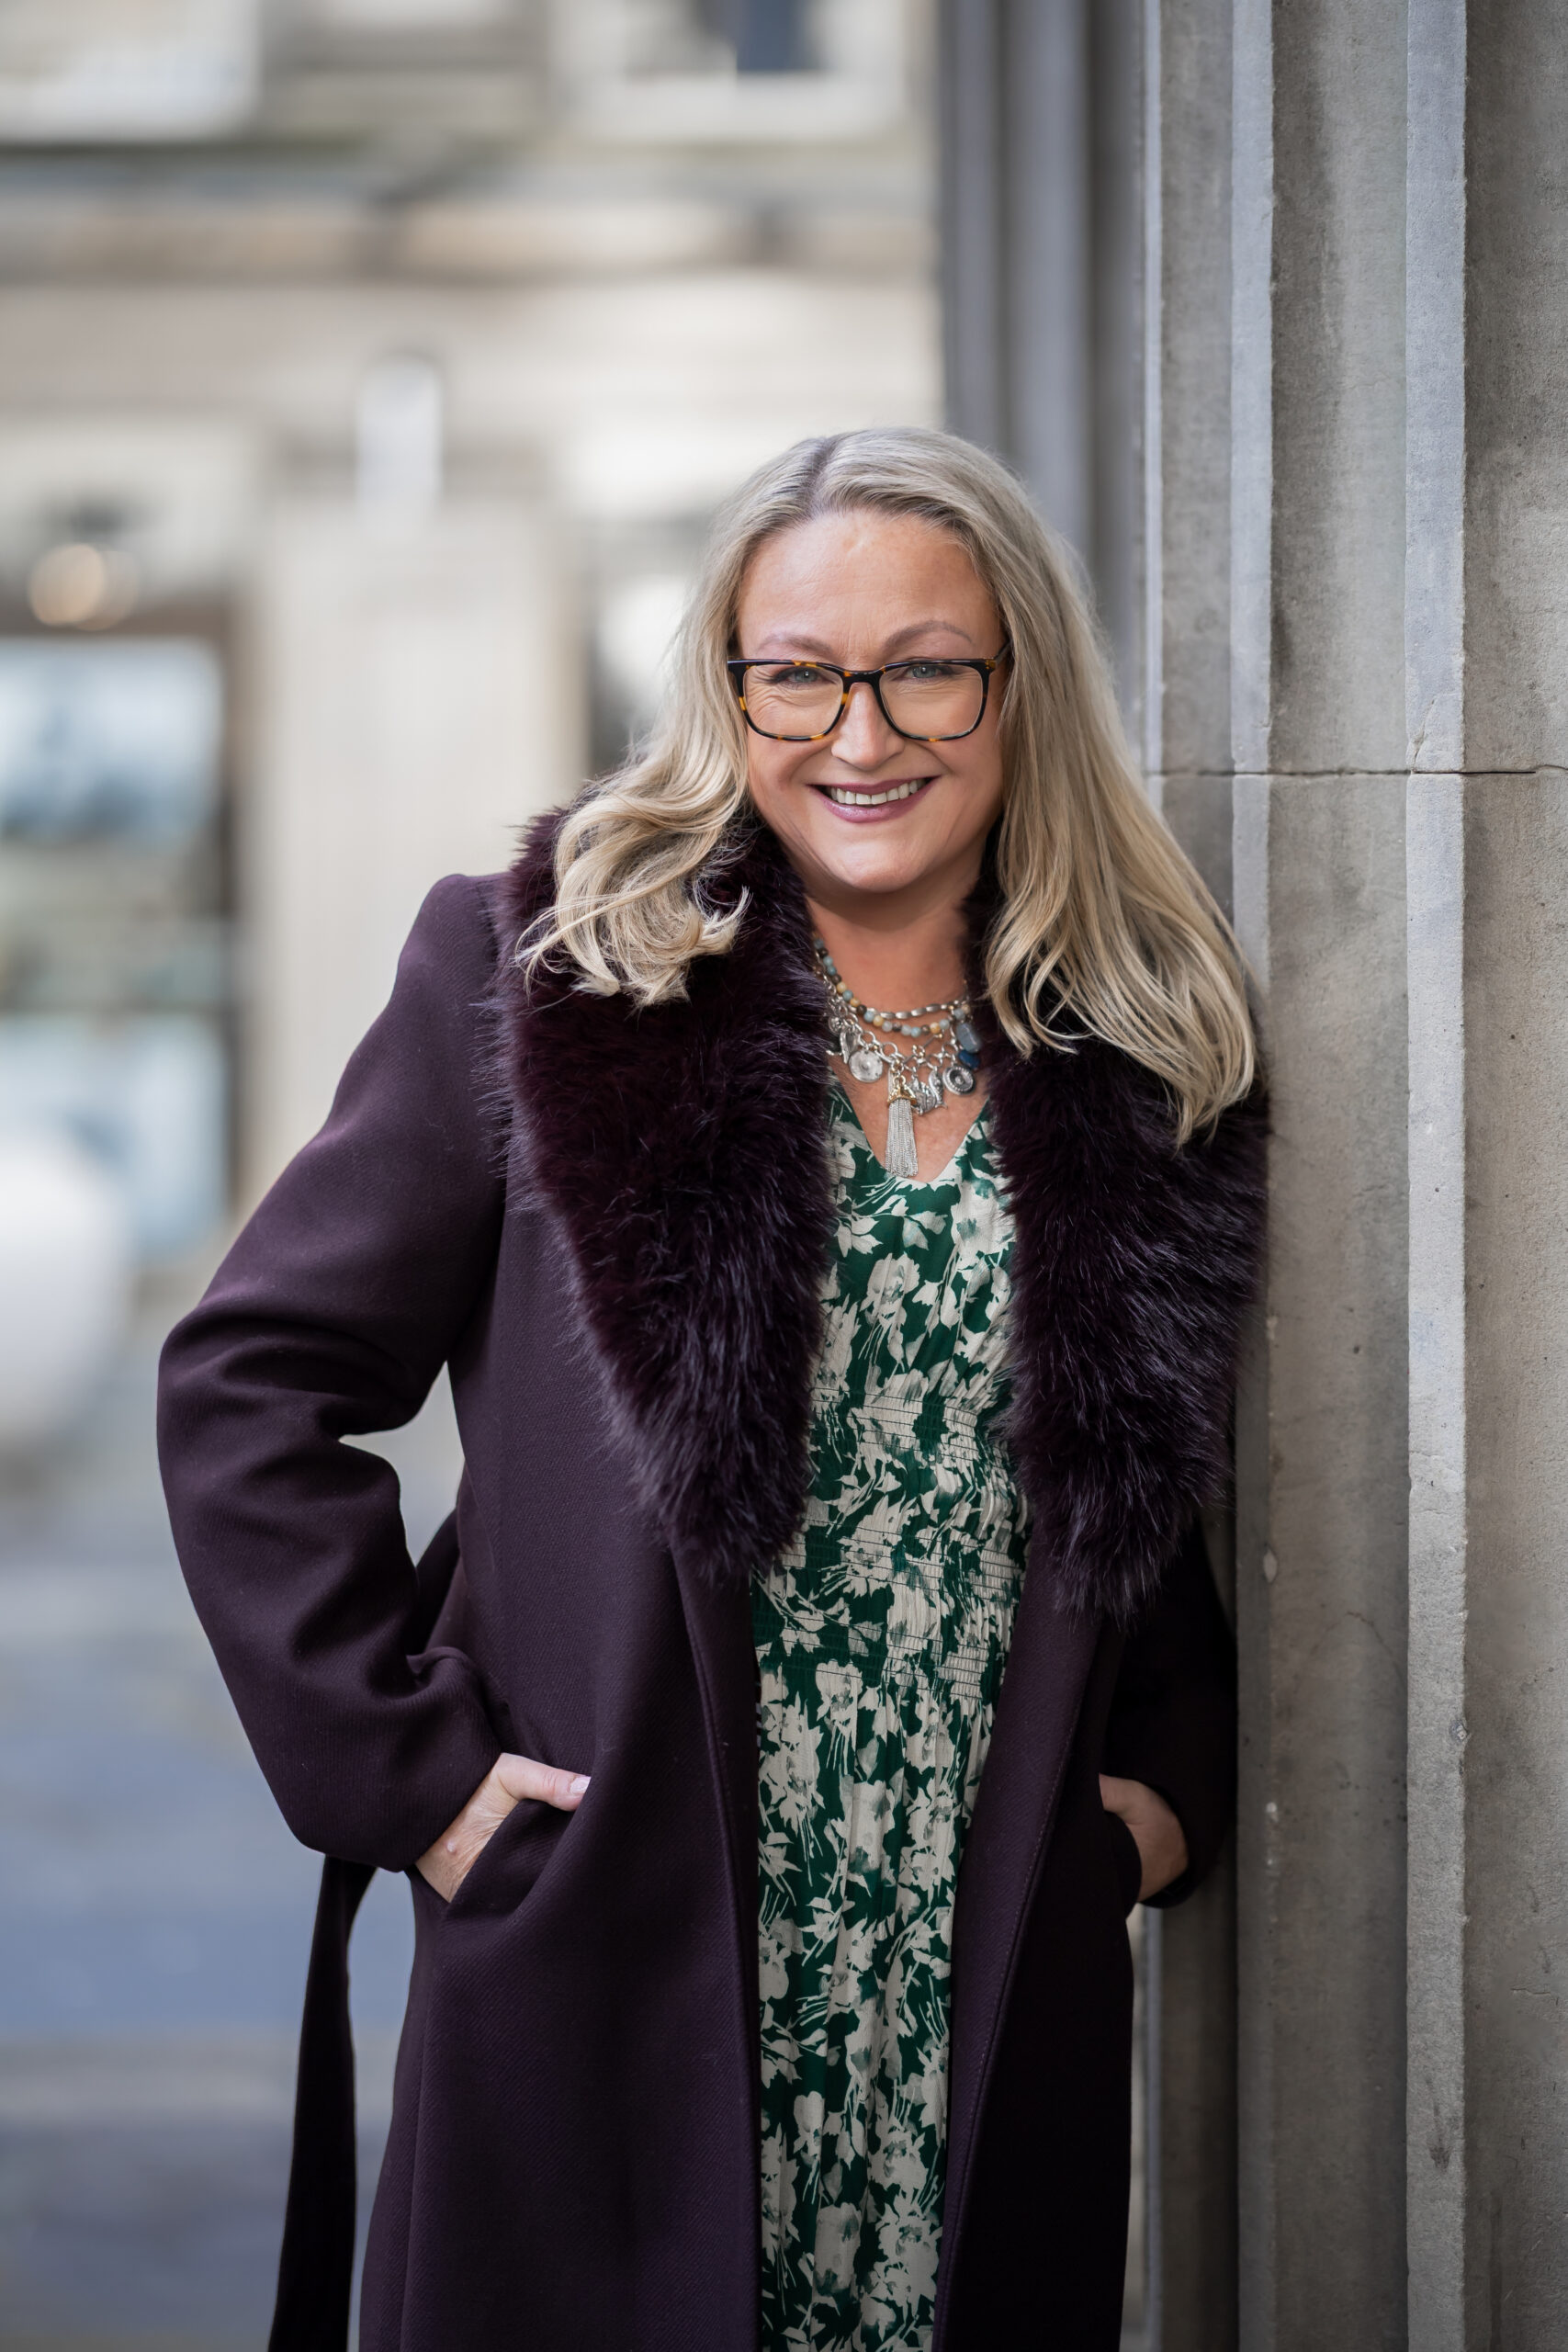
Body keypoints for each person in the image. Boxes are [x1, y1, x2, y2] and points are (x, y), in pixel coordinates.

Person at [158, 426, 1265, 2352]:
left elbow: (1151, 1483)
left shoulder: (1137, 1042)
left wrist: (1153, 1801)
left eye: (927, 669)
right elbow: (252, 1380)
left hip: (973, 1958)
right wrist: (413, 1779)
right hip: (614, 1932)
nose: (862, 733)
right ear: (725, 687)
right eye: (797, 674)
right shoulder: (549, 973)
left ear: (1019, 686)